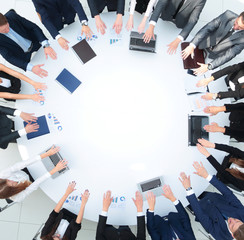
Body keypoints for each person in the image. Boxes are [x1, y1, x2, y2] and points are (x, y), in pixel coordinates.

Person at [179, 162, 244, 240]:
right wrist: (207, 176)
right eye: (237, 220)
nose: (232, 220)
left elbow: (201, 216)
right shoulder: (242, 213)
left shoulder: (220, 236)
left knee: (182, 195)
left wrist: (188, 189)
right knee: (200, 191)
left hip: (200, 208)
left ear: (233, 235)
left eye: (232, 225)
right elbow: (228, 194)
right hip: (213, 197)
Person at [182, 10, 244, 75]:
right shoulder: (228, 15)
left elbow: (230, 54)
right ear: (238, 16)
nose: (236, 27)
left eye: (240, 27)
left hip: (216, 55)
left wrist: (210, 66)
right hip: (203, 43)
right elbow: (208, 28)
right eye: (236, 22)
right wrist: (192, 45)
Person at [0, 9, 57, 78]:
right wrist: (31, 67)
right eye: (4, 31)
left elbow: (33, 27)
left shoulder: (12, 16)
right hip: (22, 55)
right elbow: (9, 56)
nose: (8, 30)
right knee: (40, 74)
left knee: (53, 58)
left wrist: (46, 45)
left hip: (34, 42)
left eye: (7, 26)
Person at [0, 146, 67, 202]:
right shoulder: (17, 198)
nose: (12, 181)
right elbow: (35, 184)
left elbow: (22, 164)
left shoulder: (3, 175)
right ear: (12, 191)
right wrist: (55, 170)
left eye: (8, 180)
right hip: (31, 181)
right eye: (12, 184)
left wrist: (46, 154)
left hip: (26, 170)